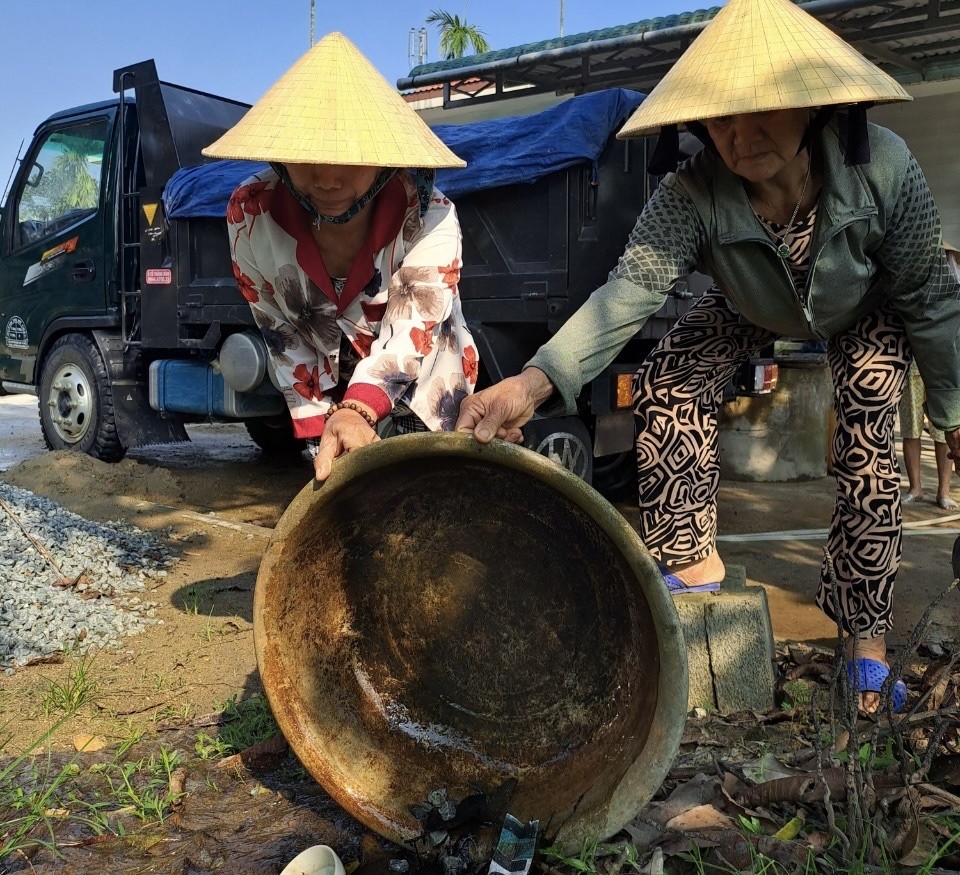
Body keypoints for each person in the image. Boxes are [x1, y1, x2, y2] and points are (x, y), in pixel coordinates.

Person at [455, 0, 960, 714]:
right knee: (668, 379)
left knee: (870, 430)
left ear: (815, 108)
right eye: (720, 116)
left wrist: (952, 413)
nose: (738, 134)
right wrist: (532, 386)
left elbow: (930, 296)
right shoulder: (690, 193)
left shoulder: (883, 168)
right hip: (747, 302)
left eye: (764, 112)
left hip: (864, 304)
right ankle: (692, 563)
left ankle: (865, 643)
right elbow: (627, 292)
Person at [202, 33, 479, 482]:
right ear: (279, 159)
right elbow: (278, 327)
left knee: (422, 492)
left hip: (422, 381)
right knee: (342, 498)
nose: (328, 179)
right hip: (325, 379)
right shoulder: (247, 215)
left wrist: (359, 407)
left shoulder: (432, 217)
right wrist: (320, 426)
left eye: (350, 159)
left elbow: (412, 329)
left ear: (386, 161)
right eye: (307, 157)